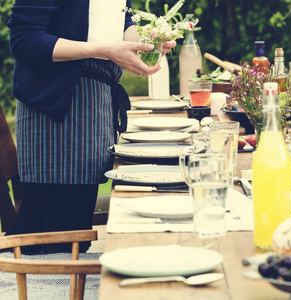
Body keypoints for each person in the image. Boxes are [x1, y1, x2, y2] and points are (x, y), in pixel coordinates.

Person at [5, 0, 176, 253]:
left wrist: (143, 42)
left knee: (71, 232)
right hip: (57, 104)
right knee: (61, 237)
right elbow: (24, 38)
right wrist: (105, 50)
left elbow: (119, 22)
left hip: (95, 101)